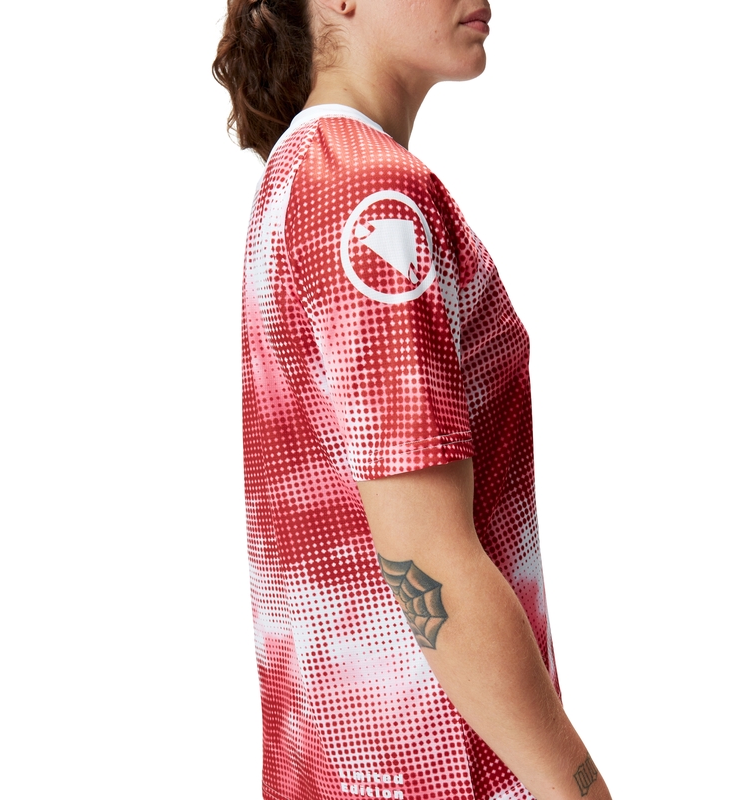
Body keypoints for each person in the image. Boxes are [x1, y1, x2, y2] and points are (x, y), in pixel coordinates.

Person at [214, 1, 613, 799]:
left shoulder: (301, 174)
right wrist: (578, 790)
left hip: (343, 764)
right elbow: (426, 558)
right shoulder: (371, 195)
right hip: (436, 765)